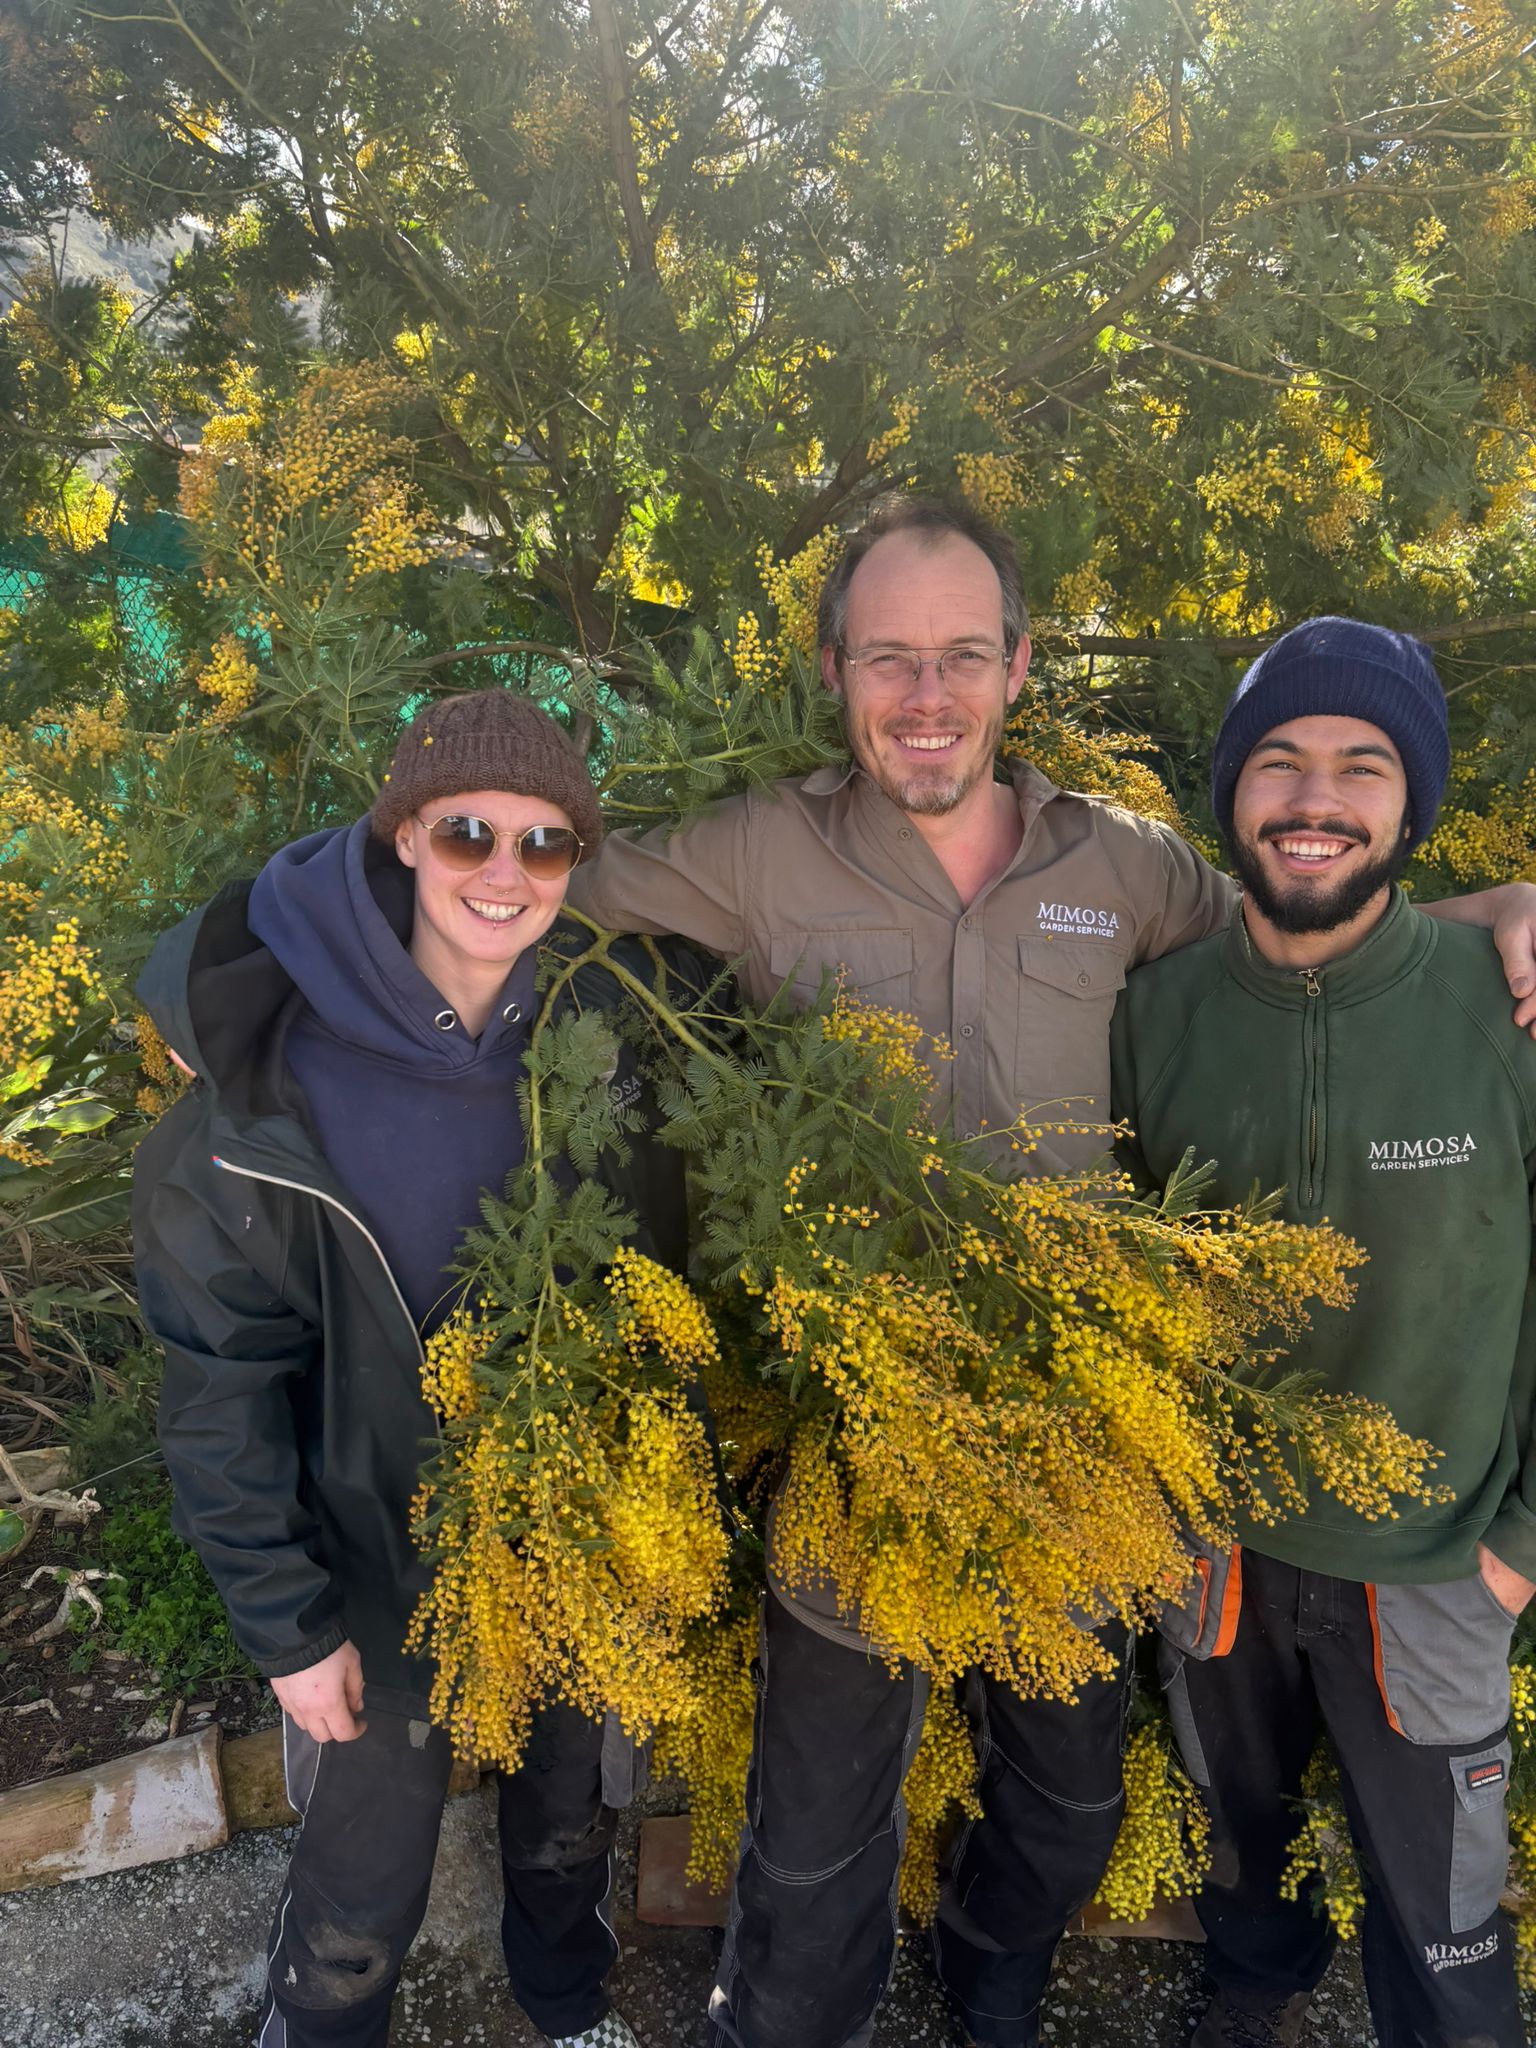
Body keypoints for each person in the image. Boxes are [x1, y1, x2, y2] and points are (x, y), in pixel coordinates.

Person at [565, 497, 1536, 2048]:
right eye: (889, 658)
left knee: (1073, 1802)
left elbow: (1308, 930)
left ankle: (991, 1976)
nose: (927, 696)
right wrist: (287, 945)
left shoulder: (1128, 869)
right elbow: (515, 894)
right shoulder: (750, 852)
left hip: (1079, 1457)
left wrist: (1491, 919)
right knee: (811, 1846)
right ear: (835, 668)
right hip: (854, 1444)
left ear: (1019, 668)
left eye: (963, 655)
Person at [132, 693, 695, 2048]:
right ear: (401, 836)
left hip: (564, 1525)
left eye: (546, 843)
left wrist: (656, 1515)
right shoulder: (264, 1091)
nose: (507, 872)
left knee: (569, 1813)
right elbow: (220, 1391)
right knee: (360, 1882)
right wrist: (288, 1627)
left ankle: (566, 2004)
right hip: (367, 1556)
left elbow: (651, 1289)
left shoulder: (600, 1042)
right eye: (468, 834)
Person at [1109, 619, 1536, 2048]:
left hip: (1437, 1567)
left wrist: (1522, 1546)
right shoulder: (1152, 1016)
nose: (1316, 798)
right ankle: (1254, 1991)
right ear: (1231, 793)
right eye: (1279, 760)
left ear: (1412, 807)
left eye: (1364, 767)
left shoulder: (1507, 1010)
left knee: (1449, 1933)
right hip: (1216, 1551)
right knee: (1242, 1847)